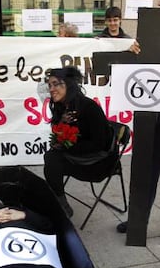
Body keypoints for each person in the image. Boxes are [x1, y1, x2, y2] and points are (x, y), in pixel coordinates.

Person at [43, 66, 117, 217]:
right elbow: (59, 133)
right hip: (80, 158)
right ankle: (60, 203)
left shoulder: (89, 107)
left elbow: (99, 144)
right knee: (51, 157)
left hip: (99, 164)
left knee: (53, 159)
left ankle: (58, 205)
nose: (51, 89)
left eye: (56, 84)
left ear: (68, 84)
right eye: (49, 85)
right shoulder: (62, 107)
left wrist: (66, 147)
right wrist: (61, 124)